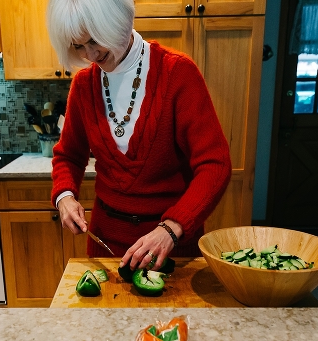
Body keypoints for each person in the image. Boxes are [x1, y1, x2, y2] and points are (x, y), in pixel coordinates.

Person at [47, 0, 232, 272]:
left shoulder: (178, 73)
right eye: (78, 46)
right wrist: (64, 195)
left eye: (95, 40)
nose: (91, 54)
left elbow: (215, 164)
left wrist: (172, 228)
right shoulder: (84, 86)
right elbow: (68, 156)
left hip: (172, 248)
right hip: (105, 245)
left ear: (118, 21)